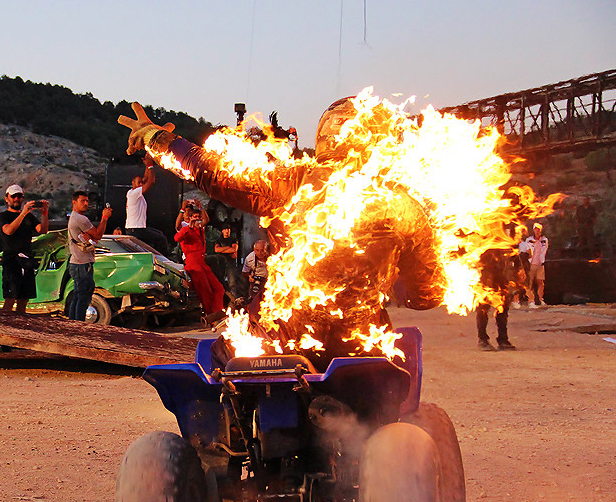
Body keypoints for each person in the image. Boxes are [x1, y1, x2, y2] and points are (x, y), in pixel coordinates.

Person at [119, 98, 445, 369]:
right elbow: (428, 294)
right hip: (365, 343)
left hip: (284, 339)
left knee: (221, 366)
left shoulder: (292, 183)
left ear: (324, 138)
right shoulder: (405, 206)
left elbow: (212, 172)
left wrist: (159, 139)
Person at [0, 184, 49, 314]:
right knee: (10, 298)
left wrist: (45, 214)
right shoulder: (4, 216)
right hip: (11, 260)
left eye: (19, 196)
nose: (16, 199)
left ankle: (19, 325)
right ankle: (5, 326)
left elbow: (42, 230)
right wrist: (23, 214)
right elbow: (8, 231)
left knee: (23, 299)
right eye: (13, 196)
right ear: (7, 198)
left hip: (26, 260)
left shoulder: (29, 217)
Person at [66, 191, 112, 321]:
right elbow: (97, 235)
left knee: (78, 295)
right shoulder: (81, 219)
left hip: (77, 262)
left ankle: (73, 323)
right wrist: (104, 218)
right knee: (84, 296)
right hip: (82, 264)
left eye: (87, 201)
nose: (86, 204)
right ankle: (79, 325)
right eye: (82, 201)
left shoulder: (75, 218)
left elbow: (94, 237)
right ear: (74, 202)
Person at [175, 205, 226, 319]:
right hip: (193, 264)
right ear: (189, 218)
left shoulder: (200, 229)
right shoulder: (186, 229)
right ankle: (211, 316)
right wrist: (189, 227)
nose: (198, 220)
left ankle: (217, 312)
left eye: (199, 218)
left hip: (202, 263)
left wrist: (202, 209)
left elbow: (206, 220)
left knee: (219, 288)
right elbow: (177, 238)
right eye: (195, 217)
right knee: (205, 292)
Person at [124, 154, 170, 254]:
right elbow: (151, 181)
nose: (141, 184)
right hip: (136, 229)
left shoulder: (136, 192)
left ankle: (158, 256)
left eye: (141, 182)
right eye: (138, 182)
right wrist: (150, 166)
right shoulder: (134, 193)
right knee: (161, 239)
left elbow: (146, 178)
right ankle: (165, 259)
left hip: (136, 228)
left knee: (159, 234)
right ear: (133, 182)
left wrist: (147, 164)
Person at [476, 247, 519, 351]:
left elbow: (513, 250)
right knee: (483, 308)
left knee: (503, 308)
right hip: (485, 275)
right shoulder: (481, 234)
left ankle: (503, 339)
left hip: (502, 275)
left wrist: (519, 268)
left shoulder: (505, 235)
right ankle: (483, 339)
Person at [526, 222, 548, 307]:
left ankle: (540, 299)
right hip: (531, 264)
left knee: (540, 282)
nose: (537, 231)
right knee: (529, 283)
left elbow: (544, 249)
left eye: (538, 229)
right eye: (535, 229)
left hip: (540, 264)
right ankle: (531, 300)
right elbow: (527, 250)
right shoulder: (529, 240)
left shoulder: (544, 240)